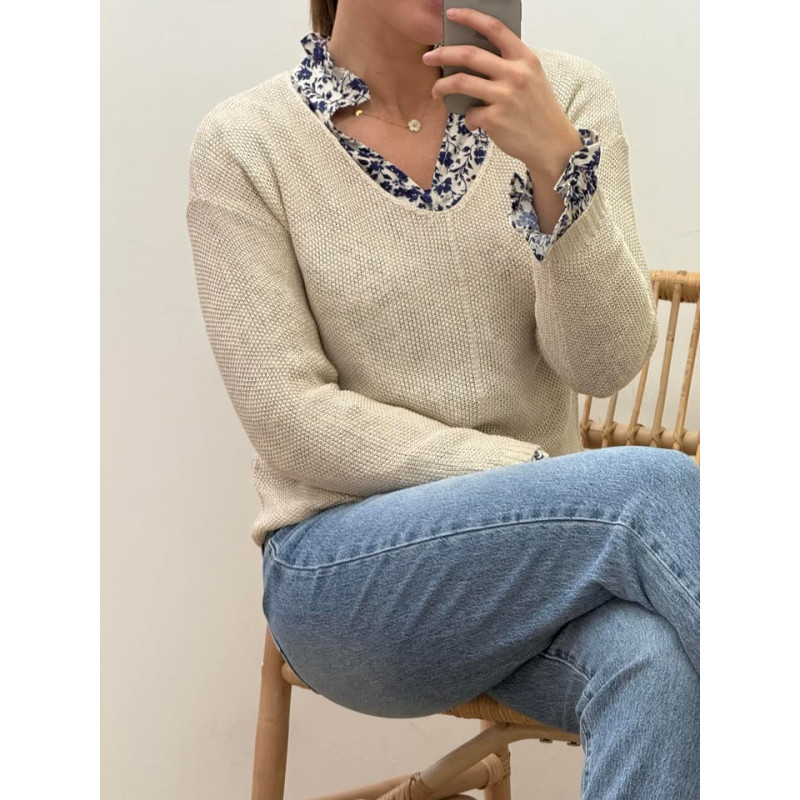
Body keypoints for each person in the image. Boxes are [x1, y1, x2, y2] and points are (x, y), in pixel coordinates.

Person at [185, 2, 699, 797]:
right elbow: (290, 417)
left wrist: (556, 166)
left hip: (546, 577)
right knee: (652, 489)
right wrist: (525, 477)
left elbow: (603, 363)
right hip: (345, 576)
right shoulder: (245, 143)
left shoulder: (563, 99)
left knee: (653, 664)